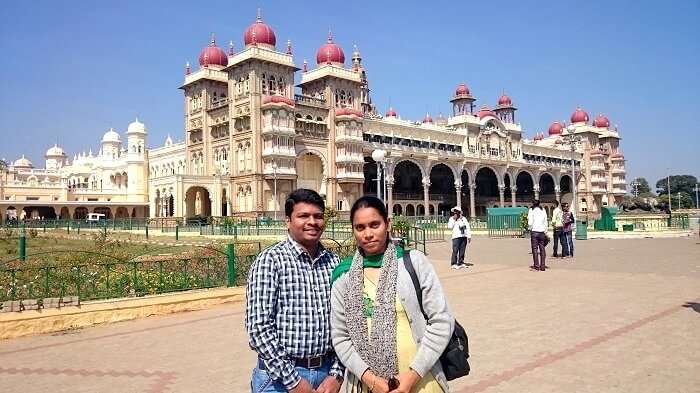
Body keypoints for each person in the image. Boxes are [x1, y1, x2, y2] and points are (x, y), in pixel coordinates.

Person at [330, 196, 454, 393]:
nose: (368, 234)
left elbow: (442, 321)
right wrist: (371, 379)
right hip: (367, 386)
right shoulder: (343, 276)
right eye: (360, 227)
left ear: (387, 224)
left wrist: (412, 375)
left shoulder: (413, 263)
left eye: (374, 225)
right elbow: (340, 336)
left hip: (421, 381)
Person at [246, 189, 344, 393]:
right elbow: (259, 329)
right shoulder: (270, 261)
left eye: (318, 216)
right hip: (278, 380)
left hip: (325, 376)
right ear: (288, 221)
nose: (312, 222)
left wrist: (336, 374)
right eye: (303, 216)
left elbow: (345, 324)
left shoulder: (334, 263)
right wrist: (294, 381)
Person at [527, 199, 549, 271]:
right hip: (542, 232)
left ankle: (536, 266)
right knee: (542, 249)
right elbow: (545, 221)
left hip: (534, 231)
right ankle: (542, 266)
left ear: (533, 204)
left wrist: (529, 228)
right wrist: (545, 230)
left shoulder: (531, 210)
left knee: (535, 249)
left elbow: (530, 222)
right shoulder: (543, 210)